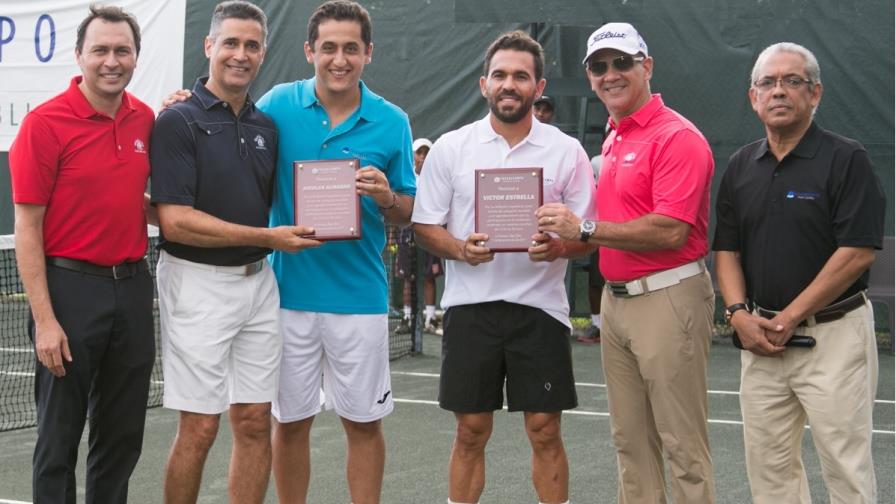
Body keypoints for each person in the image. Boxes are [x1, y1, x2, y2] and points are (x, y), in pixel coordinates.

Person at [413, 31, 595, 504]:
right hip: (470, 308)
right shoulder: (452, 147)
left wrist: (558, 248)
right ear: (484, 84)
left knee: (545, 429)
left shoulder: (567, 151)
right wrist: (460, 249)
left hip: (541, 310)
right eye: (500, 75)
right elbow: (425, 226)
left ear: (539, 87)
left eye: (520, 76)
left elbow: (585, 238)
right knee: (470, 430)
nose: (509, 84)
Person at [538, 22, 716, 503]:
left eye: (622, 62)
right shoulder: (615, 136)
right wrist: (565, 242)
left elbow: (670, 230)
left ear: (647, 66)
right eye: (599, 66)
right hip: (617, 305)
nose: (610, 74)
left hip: (668, 295)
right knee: (630, 442)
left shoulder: (677, 136)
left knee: (682, 445)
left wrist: (583, 229)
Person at [150, 3, 320, 503]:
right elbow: (175, 221)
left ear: (263, 53)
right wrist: (270, 238)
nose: (240, 54)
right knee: (201, 426)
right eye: (230, 43)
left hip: (259, 285)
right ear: (209, 46)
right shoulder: (177, 119)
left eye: (251, 45)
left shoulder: (267, 126)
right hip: (195, 284)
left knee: (253, 420)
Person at [255, 2, 416, 502]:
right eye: (329, 48)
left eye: (351, 48)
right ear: (310, 51)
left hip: (360, 300)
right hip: (286, 298)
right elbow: (231, 134)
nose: (339, 59)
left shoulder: (392, 120)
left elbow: (407, 210)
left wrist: (386, 196)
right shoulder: (277, 104)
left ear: (369, 53)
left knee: (364, 424)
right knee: (290, 423)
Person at [713, 42, 885, 504]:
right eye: (767, 83)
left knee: (845, 469)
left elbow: (857, 253)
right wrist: (737, 314)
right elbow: (726, 250)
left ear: (815, 93)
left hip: (834, 338)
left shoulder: (846, 159)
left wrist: (789, 317)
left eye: (793, 81)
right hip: (760, 341)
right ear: (753, 97)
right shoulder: (740, 166)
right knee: (769, 472)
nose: (778, 91)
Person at [9, 6, 155, 503]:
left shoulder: (145, 119)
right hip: (68, 294)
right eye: (100, 50)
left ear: (135, 56)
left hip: (132, 290)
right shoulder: (44, 124)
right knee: (59, 439)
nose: (111, 61)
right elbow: (27, 228)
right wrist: (45, 320)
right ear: (79, 56)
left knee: (121, 437)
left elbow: (132, 197)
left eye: (122, 51)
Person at [394, 138, 443, 335]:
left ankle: (430, 320)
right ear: (413, 155)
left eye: (426, 153)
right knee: (408, 277)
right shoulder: (406, 178)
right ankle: (407, 318)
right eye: (419, 153)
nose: (422, 157)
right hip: (407, 233)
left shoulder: (437, 178)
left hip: (432, 231)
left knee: (429, 276)